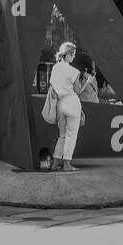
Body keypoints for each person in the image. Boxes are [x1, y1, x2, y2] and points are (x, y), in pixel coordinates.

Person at [47, 41, 92, 172]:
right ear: (67, 55)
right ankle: (67, 165)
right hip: (72, 103)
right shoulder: (74, 71)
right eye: (72, 55)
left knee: (62, 136)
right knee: (71, 136)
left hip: (60, 104)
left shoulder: (55, 68)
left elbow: (53, 88)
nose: (73, 57)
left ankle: (55, 164)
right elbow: (77, 92)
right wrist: (87, 83)